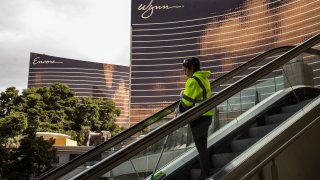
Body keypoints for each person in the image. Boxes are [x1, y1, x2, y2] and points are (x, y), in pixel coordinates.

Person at [176, 57, 213, 180]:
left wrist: (178, 109)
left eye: (185, 69)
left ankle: (205, 174)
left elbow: (187, 103)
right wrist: (185, 93)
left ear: (191, 68)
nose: (184, 72)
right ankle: (205, 172)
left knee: (201, 147)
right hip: (207, 115)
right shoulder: (203, 78)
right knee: (203, 146)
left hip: (198, 117)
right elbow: (197, 95)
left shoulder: (192, 81)